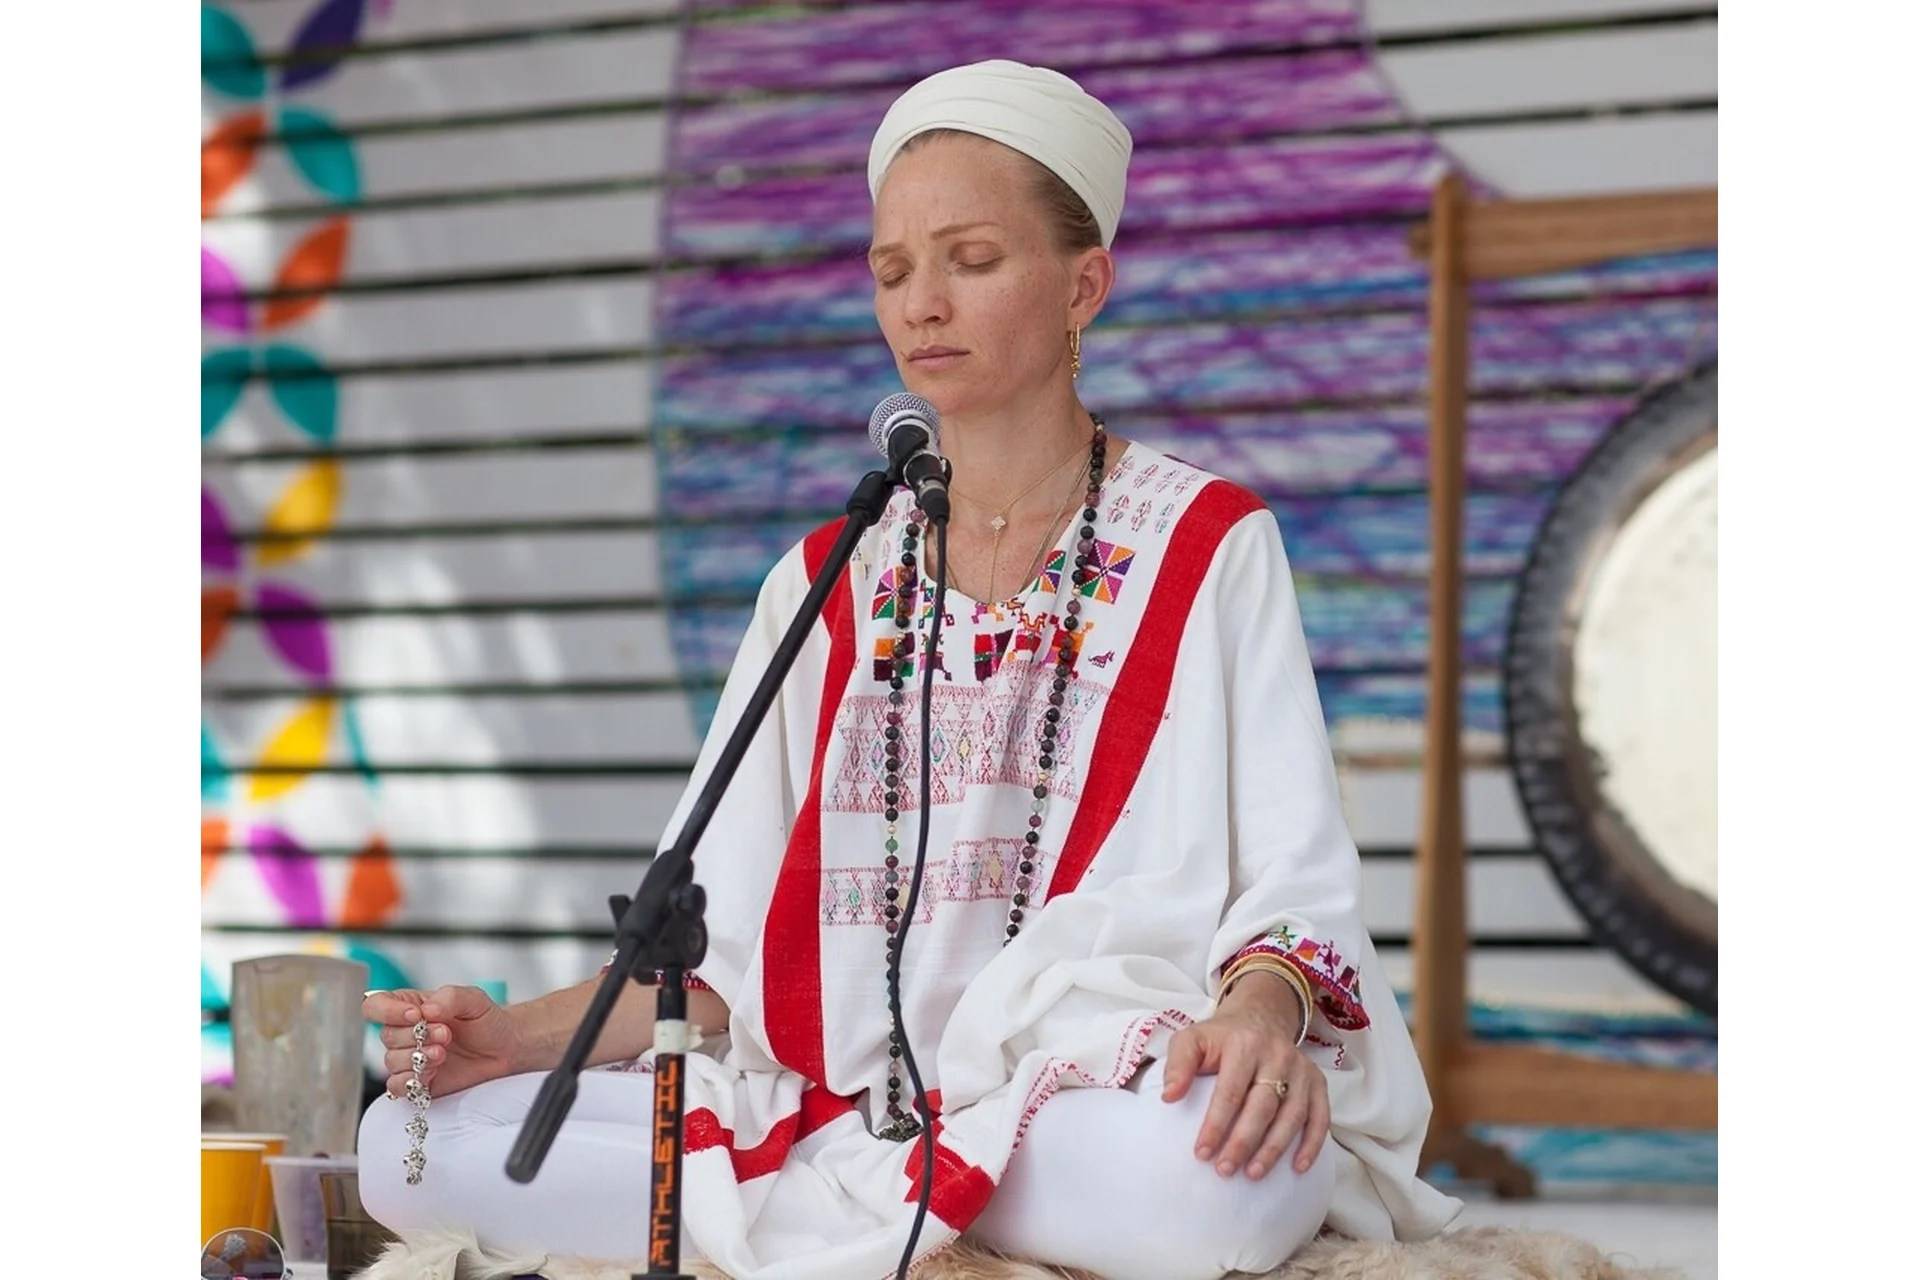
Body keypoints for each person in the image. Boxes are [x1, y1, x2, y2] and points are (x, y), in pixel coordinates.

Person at [358, 59, 1461, 1280]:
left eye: (972, 260)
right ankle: (918, 1203)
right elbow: (713, 956)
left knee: (1206, 1175)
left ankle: (867, 1208)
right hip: (844, 1104)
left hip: (1101, 1096)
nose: (923, 302)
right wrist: (502, 1038)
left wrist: (1259, 1015)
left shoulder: (1207, 546)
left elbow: (1292, 875)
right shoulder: (825, 577)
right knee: (405, 1145)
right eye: (893, 271)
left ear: (1084, 283)